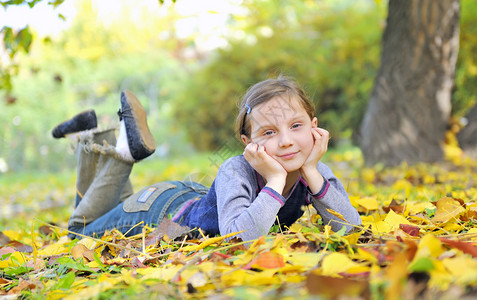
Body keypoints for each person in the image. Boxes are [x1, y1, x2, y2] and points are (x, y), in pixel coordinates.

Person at [54, 76, 361, 241]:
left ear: (315, 128)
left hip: (188, 198)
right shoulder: (235, 169)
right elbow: (241, 237)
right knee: (79, 231)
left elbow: (351, 227)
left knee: (110, 208)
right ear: (247, 142)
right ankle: (122, 152)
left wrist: (311, 172)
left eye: (296, 126)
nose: (285, 141)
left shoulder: (315, 171)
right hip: (160, 212)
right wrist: (277, 180)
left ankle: (91, 137)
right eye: (268, 132)